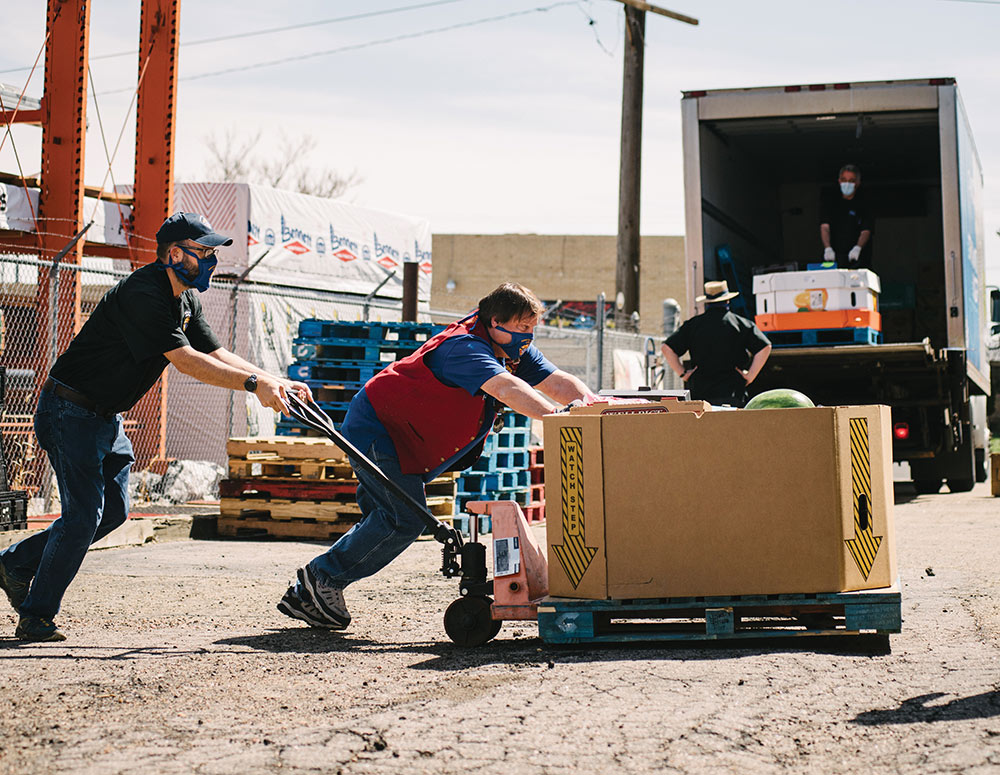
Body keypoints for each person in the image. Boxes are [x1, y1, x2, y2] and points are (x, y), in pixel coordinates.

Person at [0, 212, 311, 642]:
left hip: (103, 417)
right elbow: (185, 361)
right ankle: (36, 615)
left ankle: (14, 564)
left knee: (113, 512)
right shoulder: (143, 293)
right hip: (69, 410)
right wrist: (254, 386)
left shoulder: (185, 299)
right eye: (203, 253)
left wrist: (273, 380)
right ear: (174, 254)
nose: (211, 262)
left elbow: (216, 353)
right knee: (82, 517)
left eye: (212, 253)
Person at [278, 282, 595, 630]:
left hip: (402, 435)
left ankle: (311, 586)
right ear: (494, 322)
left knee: (384, 519)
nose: (528, 337)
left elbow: (557, 381)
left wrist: (592, 407)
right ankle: (320, 581)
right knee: (404, 519)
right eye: (522, 328)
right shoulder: (463, 347)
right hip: (380, 429)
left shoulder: (508, 346)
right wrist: (558, 417)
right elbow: (506, 388)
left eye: (532, 328)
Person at [660, 280, 771, 408]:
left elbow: (666, 348)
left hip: (700, 394)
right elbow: (765, 347)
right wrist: (750, 375)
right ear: (728, 300)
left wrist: (683, 374)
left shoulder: (693, 325)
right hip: (733, 391)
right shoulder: (740, 324)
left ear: (707, 302)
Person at [820, 164, 873, 268]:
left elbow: (866, 230)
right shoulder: (830, 203)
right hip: (833, 257)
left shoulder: (864, 204)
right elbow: (824, 227)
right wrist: (827, 248)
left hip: (856, 258)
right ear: (839, 181)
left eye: (851, 181)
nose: (847, 184)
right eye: (844, 180)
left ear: (857, 183)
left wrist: (858, 247)